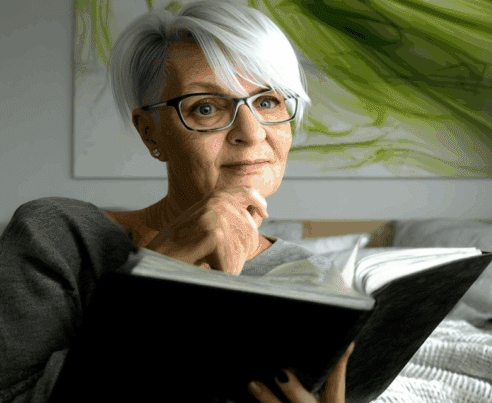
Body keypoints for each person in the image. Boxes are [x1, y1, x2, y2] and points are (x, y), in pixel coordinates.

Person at [0, 2, 350, 402]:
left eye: (268, 101)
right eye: (205, 107)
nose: (252, 133)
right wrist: (161, 272)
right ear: (151, 133)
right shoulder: (57, 236)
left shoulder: (318, 283)